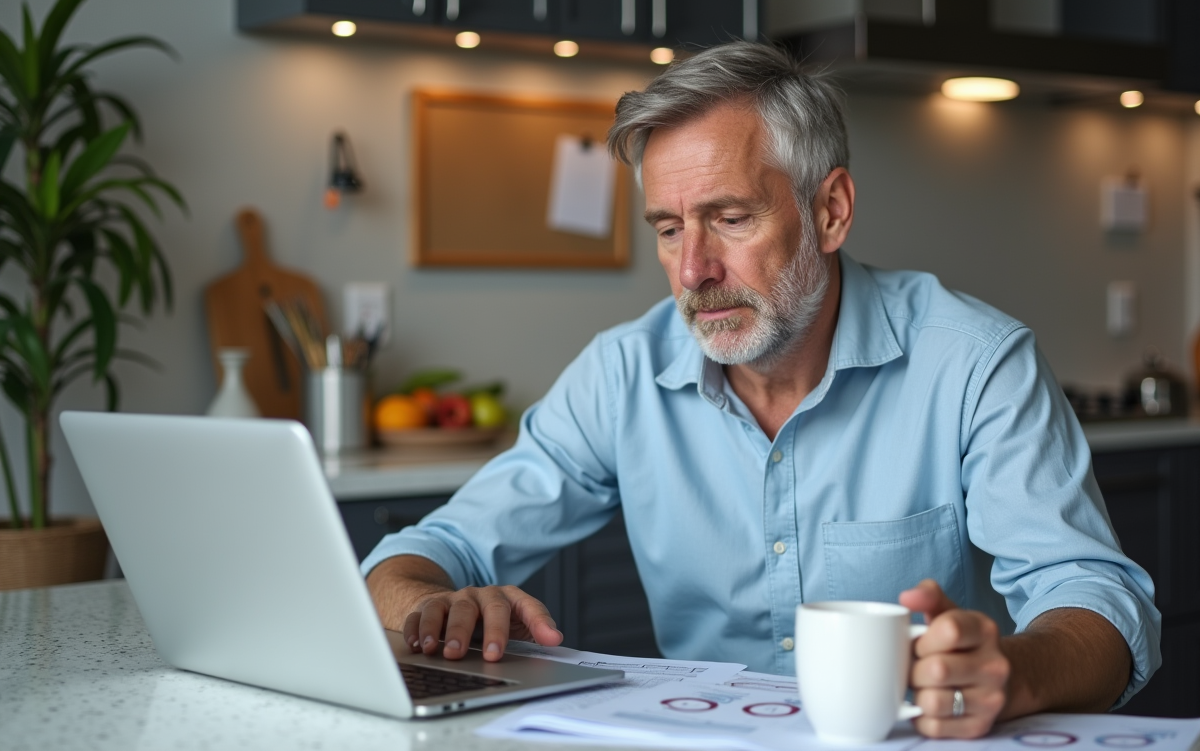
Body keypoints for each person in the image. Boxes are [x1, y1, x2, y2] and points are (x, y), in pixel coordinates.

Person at [363, 42, 1159, 738]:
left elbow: (1097, 599)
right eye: (669, 229)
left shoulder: (975, 364)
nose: (692, 271)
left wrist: (1014, 673)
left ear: (831, 210)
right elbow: (417, 558)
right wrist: (428, 607)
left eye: (731, 218)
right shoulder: (622, 373)